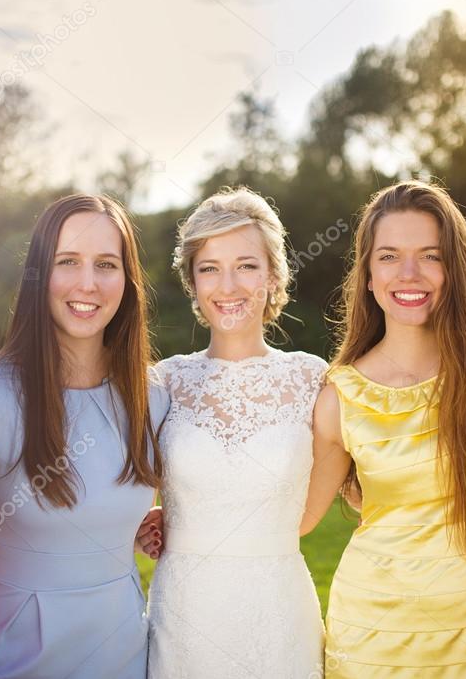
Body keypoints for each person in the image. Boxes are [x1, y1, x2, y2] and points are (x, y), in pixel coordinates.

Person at [303, 181, 466, 678]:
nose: (409, 273)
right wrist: (184, 514)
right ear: (366, 274)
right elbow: (295, 520)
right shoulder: (341, 396)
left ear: (455, 269)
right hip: (373, 638)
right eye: (389, 256)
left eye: (431, 255)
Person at [0, 194, 167, 679]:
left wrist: (150, 525)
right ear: (38, 277)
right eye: (67, 261)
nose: (88, 284)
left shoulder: (154, 397)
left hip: (124, 658)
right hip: (9, 663)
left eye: (106, 265)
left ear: (128, 282)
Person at [146, 187, 326, 678]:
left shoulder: (314, 379)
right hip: (184, 611)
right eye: (209, 268)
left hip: (278, 612)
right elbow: (117, 486)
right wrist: (143, 522)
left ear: (272, 275)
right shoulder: (163, 382)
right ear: (193, 281)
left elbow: (338, 498)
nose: (228, 285)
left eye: (246, 265)